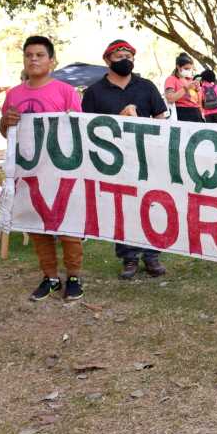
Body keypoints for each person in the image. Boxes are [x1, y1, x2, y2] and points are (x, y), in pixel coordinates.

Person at [0, 36, 85, 302]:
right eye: (28, 55)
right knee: (36, 224)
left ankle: (73, 277)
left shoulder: (65, 92)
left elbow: (78, 130)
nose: (33, 59)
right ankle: (49, 276)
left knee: (68, 224)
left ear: (51, 60)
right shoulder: (13, 94)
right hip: (29, 172)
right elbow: (6, 132)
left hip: (61, 170)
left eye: (39, 55)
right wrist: (6, 122)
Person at [81, 39, 170, 280]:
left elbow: (161, 118)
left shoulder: (146, 86)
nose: (125, 61)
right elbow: (86, 128)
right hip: (112, 162)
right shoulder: (93, 93)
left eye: (129, 57)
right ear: (107, 60)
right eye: (120, 57)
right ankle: (129, 257)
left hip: (146, 158)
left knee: (151, 205)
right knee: (121, 208)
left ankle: (152, 256)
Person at [165, 54, 203, 123]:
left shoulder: (191, 80)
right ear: (178, 67)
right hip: (181, 114)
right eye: (186, 69)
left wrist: (198, 90)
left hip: (196, 113)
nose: (188, 71)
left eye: (190, 69)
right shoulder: (171, 79)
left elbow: (198, 101)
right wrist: (186, 88)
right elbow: (170, 98)